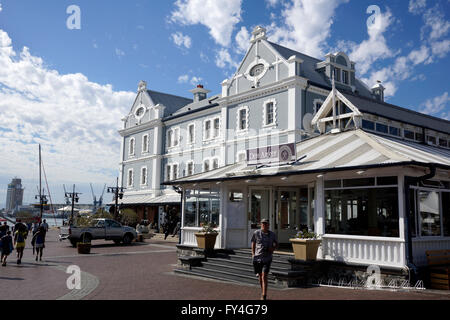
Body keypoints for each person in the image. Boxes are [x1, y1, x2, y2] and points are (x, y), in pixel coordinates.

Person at [251, 219, 278, 301]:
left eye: (266, 224)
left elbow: (276, 243)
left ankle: (264, 295)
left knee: (264, 276)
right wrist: (252, 253)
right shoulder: (256, 233)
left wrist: (272, 249)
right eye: (263, 224)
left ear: (268, 225)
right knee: (260, 276)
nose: (264, 225)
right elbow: (253, 243)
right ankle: (262, 290)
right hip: (258, 257)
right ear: (261, 225)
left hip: (267, 258)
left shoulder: (272, 234)